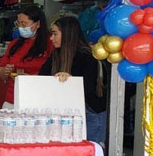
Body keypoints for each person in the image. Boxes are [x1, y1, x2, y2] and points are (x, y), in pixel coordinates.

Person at [40, 16, 107, 144]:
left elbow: (88, 88)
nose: (51, 38)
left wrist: (71, 82)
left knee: (91, 152)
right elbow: (42, 78)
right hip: (65, 114)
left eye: (55, 34)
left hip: (90, 113)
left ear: (67, 34)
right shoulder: (54, 55)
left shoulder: (88, 56)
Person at [0, 6, 52, 109]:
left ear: (38, 24)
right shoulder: (14, 44)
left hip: (38, 101)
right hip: (12, 99)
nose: (21, 27)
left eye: (24, 24)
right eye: (19, 23)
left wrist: (30, 78)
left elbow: (54, 73)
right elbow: (0, 71)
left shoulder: (50, 43)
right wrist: (5, 71)